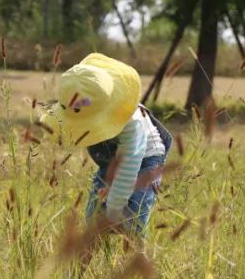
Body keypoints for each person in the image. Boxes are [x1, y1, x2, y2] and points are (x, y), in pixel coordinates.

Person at [40, 53, 172, 244]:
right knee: (94, 216)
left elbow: (128, 165)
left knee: (134, 211)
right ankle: (87, 261)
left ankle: (137, 257)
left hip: (145, 157)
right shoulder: (77, 103)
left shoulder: (130, 120)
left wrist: (114, 209)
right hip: (113, 159)